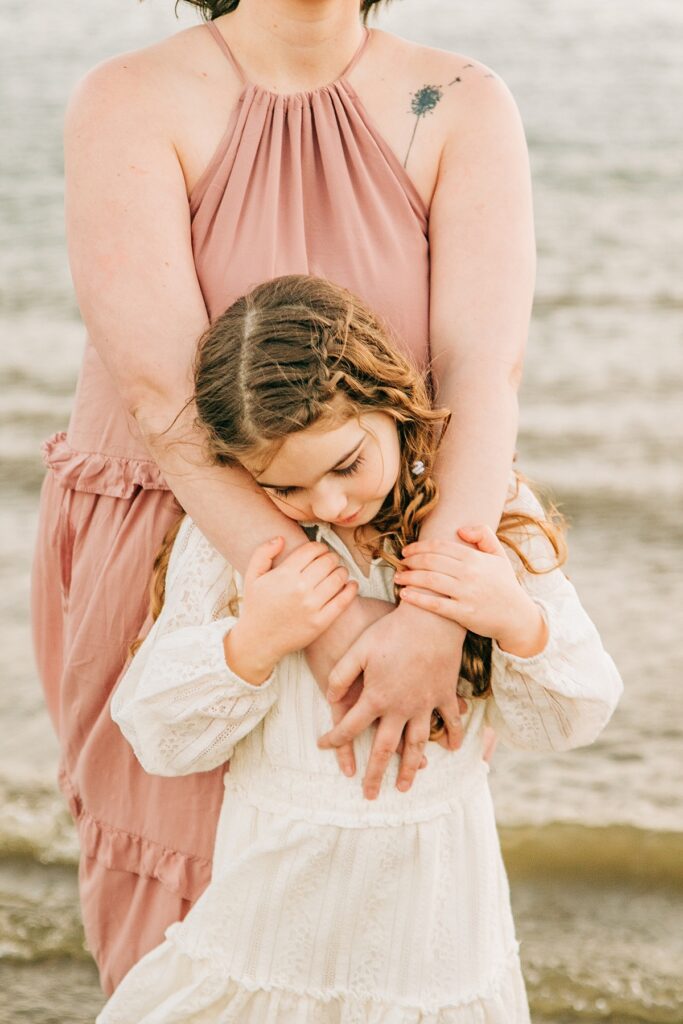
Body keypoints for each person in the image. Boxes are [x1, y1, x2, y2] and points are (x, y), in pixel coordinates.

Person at [31, 0, 537, 992]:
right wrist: (325, 618)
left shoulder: (463, 101)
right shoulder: (127, 98)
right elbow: (159, 396)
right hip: (169, 537)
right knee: (178, 909)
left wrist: (432, 610)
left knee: (368, 878)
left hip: (393, 536)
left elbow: (485, 374)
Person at [95, 275, 622, 1023]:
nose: (331, 506)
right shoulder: (242, 556)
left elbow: (575, 715)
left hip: (436, 941)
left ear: (391, 401)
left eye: (346, 465)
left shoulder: (481, 515)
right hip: (275, 932)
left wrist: (512, 618)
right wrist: (254, 640)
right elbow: (158, 736)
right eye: (287, 488)